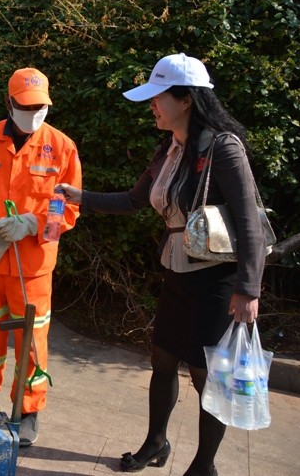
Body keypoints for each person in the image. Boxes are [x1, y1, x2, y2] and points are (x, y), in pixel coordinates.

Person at [57, 53, 265, 476]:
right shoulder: (168, 149)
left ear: (186, 99)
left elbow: (249, 221)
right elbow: (135, 200)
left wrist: (249, 289)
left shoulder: (223, 148)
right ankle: (156, 442)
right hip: (178, 274)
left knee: (208, 376)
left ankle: (204, 465)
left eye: (158, 97)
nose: (152, 105)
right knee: (163, 360)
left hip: (218, 282)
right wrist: (81, 197)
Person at [0, 67, 82, 447]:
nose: (33, 113)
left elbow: (70, 207)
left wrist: (33, 223)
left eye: (40, 107)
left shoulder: (62, 147)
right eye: (26, 107)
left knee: (32, 341)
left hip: (33, 267)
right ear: (8, 103)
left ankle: (28, 409)